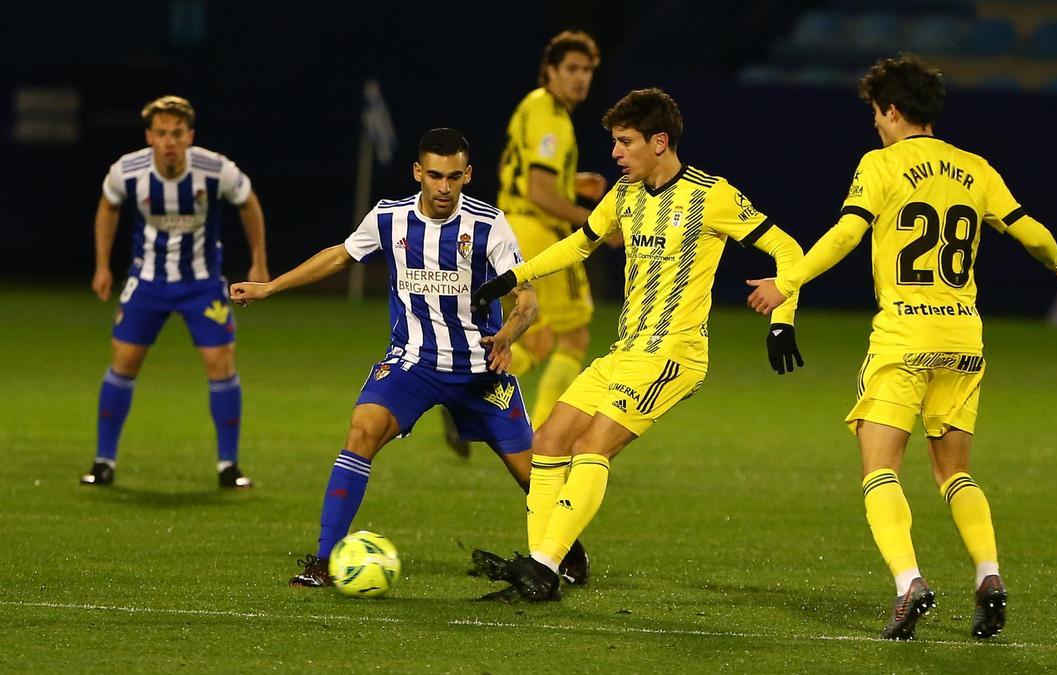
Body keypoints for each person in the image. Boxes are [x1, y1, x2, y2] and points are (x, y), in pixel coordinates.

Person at [746, 54, 1057, 641]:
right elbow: (1025, 228)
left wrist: (787, 281)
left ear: (893, 110)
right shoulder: (974, 167)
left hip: (904, 334)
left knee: (879, 468)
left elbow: (849, 233)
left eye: (877, 113)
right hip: (963, 334)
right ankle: (989, 575)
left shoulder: (881, 164)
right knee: (954, 471)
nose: (875, 124)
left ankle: (909, 584)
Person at [470, 88, 805, 601]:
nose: (615, 153)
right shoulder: (624, 196)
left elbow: (787, 247)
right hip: (625, 351)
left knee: (591, 446)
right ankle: (541, 569)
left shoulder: (711, 195)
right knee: (550, 442)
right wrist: (510, 276)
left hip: (674, 355)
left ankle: (542, 565)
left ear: (659, 142)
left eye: (625, 142)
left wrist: (783, 318)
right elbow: (578, 245)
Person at [228, 129, 586, 588]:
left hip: (479, 370)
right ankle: (324, 561)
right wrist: (270, 287)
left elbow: (528, 301)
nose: (443, 187)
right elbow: (340, 256)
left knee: (531, 474)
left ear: (468, 176)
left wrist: (507, 336)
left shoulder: (488, 225)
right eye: (434, 175)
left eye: (454, 177)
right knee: (361, 431)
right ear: (418, 172)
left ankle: (569, 553)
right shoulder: (388, 218)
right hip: (412, 364)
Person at [81, 95, 268, 489]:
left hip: (202, 283)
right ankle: (103, 462)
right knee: (124, 361)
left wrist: (258, 261)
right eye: (162, 133)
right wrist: (101, 265)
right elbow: (108, 206)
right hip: (147, 281)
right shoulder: (127, 170)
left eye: (177, 133)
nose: (169, 141)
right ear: (150, 136)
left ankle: (228, 466)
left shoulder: (215, 169)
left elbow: (248, 202)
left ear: (190, 136)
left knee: (221, 363)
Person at [495, 30, 609, 430]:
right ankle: (542, 435)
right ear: (550, 71)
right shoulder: (552, 119)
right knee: (573, 337)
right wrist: (593, 223)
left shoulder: (535, 106)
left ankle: (479, 390)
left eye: (587, 70)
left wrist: (572, 182)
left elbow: (521, 173)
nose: (580, 78)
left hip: (511, 226)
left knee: (538, 339)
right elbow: (539, 191)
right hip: (538, 232)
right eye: (572, 69)